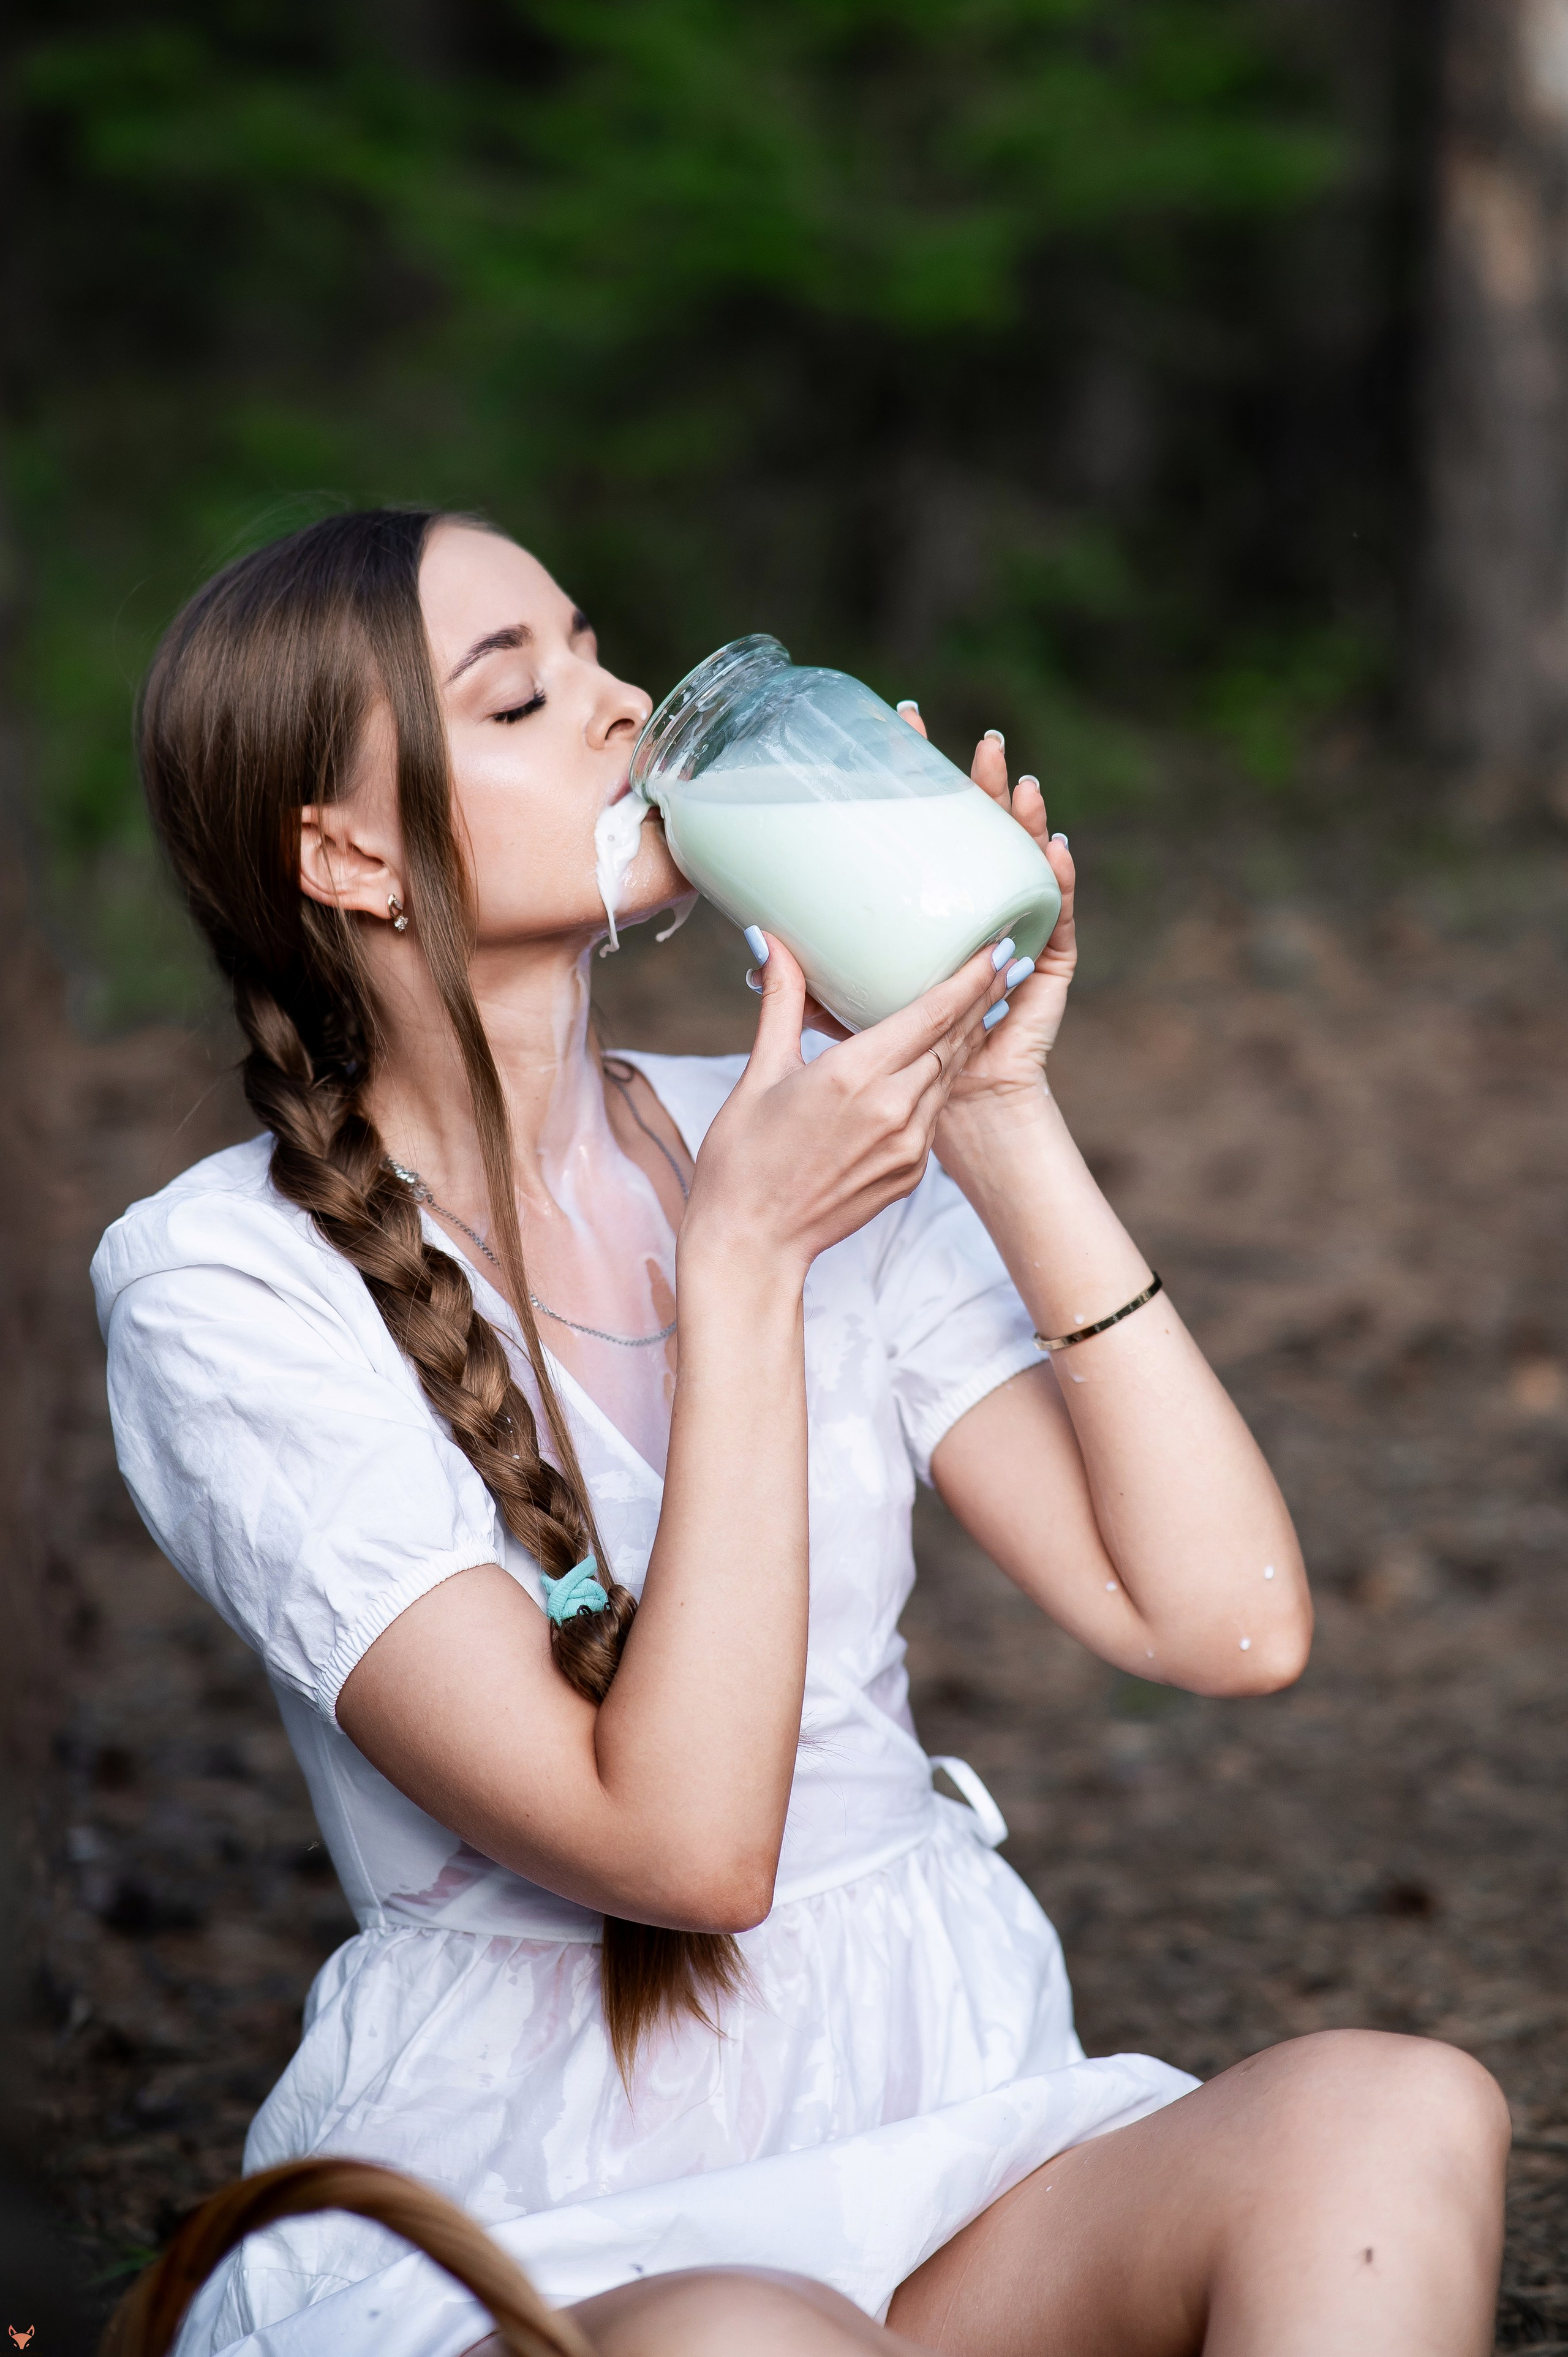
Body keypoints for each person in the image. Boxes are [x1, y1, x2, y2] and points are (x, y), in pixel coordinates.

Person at [92, 509, 1508, 2357]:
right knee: (751, 2336)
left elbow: (1224, 1623)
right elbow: (684, 1856)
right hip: (545, 2212)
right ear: (347, 852)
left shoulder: (792, 1131)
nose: (622, 707)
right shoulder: (226, 1289)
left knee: (1393, 2115)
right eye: (523, 697)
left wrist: (994, 1108)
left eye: (596, 650)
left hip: (938, 2123)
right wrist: (741, 1264)